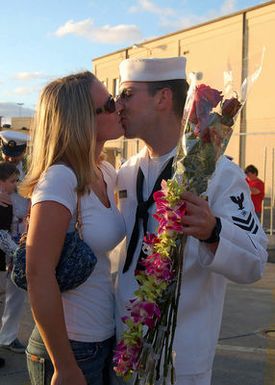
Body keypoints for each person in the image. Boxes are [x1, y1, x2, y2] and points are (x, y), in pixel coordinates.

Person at [112, 57, 268, 385]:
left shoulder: (219, 173)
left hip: (180, 362)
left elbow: (255, 261)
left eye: (126, 94)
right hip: (122, 350)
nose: (117, 104)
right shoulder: (126, 171)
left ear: (163, 98)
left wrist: (214, 232)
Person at [19, 71, 125, 385]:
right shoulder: (60, 179)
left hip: (102, 337)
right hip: (71, 347)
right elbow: (38, 273)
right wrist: (64, 366)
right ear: (82, 120)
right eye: (108, 103)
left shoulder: (105, 171)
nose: (117, 106)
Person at [0, 131, 29, 354]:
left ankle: (7, 337)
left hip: (21, 232)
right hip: (4, 234)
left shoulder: (29, 172)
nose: (10, 158)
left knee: (16, 291)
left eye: (14, 154)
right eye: (6, 153)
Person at [0, 162, 19, 369]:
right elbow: (1, 234)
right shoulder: (3, 202)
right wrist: (17, 252)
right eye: (12, 181)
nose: (15, 185)